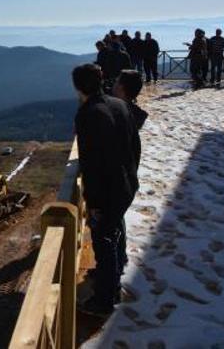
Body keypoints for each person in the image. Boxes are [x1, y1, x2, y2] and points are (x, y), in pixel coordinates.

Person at [73, 64, 139, 316]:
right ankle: (115, 267)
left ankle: (105, 299)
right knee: (114, 228)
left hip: (107, 189)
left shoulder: (87, 114)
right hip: (126, 183)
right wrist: (130, 177)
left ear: (78, 87)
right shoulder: (119, 105)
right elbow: (135, 145)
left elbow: (91, 163)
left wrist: (94, 200)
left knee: (104, 240)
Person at [111, 70, 148, 283]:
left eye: (116, 82)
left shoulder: (122, 115)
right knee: (117, 221)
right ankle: (119, 259)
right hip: (128, 177)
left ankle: (111, 277)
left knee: (111, 225)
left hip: (119, 179)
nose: (113, 85)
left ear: (122, 88)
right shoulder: (131, 113)